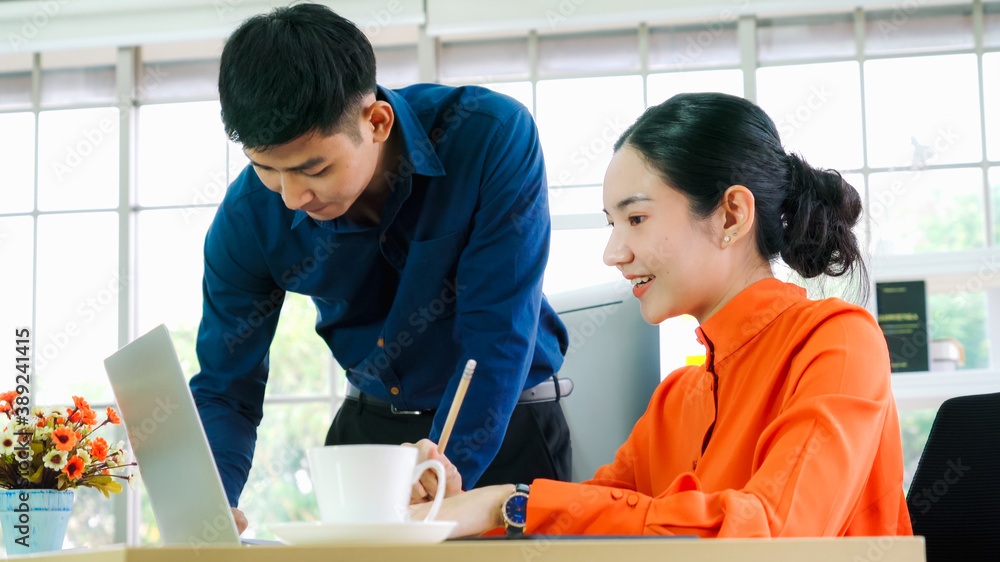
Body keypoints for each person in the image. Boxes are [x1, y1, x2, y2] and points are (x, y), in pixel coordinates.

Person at [408, 92, 914, 538]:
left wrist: (508, 504)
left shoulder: (839, 342)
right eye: (613, 224)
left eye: (636, 219)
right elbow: (576, 526)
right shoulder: (675, 400)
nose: (614, 253)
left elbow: (777, 534)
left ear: (731, 215)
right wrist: (456, 513)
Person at [189, 3, 572, 533]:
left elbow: (497, 331)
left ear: (376, 122)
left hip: (505, 425)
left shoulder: (488, 136)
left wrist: (447, 463)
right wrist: (209, 507)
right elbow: (225, 387)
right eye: (267, 171)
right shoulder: (248, 219)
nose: (293, 196)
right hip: (368, 440)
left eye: (313, 168)